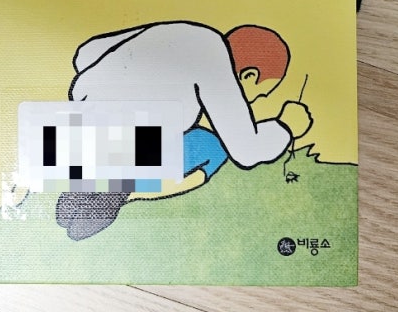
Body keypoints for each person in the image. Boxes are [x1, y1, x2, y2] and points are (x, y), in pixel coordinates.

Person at [57, 20, 312, 240]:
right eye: (260, 94)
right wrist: (287, 126)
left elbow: (84, 53)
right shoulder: (216, 60)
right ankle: (123, 191)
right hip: (131, 145)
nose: (253, 102)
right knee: (213, 146)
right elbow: (247, 151)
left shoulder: (184, 33)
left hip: (85, 123)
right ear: (249, 76)